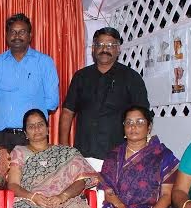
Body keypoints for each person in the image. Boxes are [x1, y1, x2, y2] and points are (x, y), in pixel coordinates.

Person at [59, 27, 149, 160]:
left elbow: (143, 116)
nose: (104, 49)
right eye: (100, 44)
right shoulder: (81, 77)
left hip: (118, 156)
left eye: (110, 45)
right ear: (93, 49)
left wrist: (138, 151)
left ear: (118, 49)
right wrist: (64, 148)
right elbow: (67, 112)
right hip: (83, 154)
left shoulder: (131, 78)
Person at [0, 14, 59, 151]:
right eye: (13, 32)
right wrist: (6, 120)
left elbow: (51, 102)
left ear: (30, 35)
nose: (17, 36)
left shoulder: (44, 62)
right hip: (4, 138)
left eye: (22, 32)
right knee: (2, 167)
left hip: (35, 137)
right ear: (6, 35)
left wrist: (32, 125)